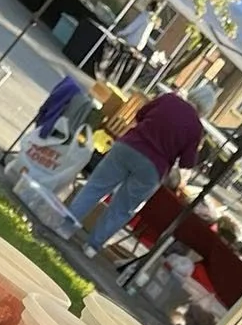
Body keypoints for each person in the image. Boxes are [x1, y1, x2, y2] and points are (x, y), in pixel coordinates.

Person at [66, 88, 206, 256]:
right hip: (153, 167)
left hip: (130, 145)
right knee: (122, 208)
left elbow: (141, 114)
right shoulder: (196, 128)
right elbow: (187, 162)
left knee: (95, 187)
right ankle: (92, 246)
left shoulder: (169, 99)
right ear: (205, 110)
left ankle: (65, 224)